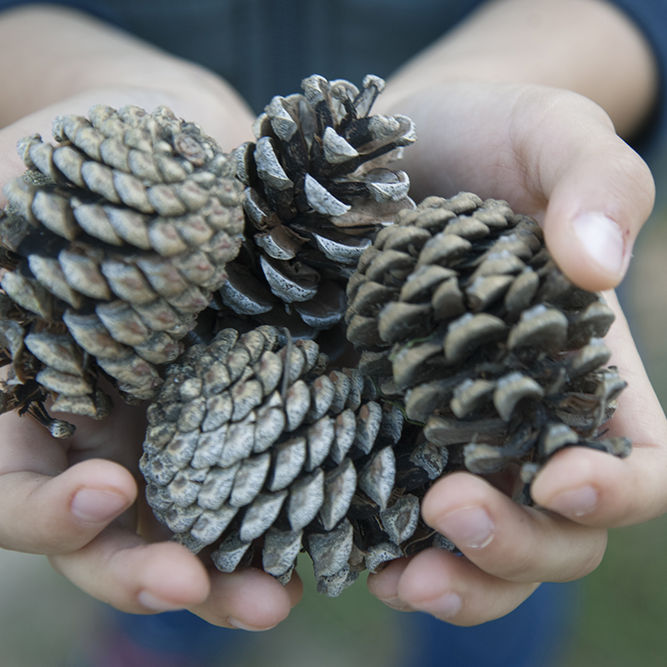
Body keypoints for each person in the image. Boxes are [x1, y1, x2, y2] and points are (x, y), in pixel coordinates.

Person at [0, 0, 666, 663]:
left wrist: (533, 69)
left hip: (483, 284)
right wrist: (69, 72)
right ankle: (163, 635)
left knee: (497, 527)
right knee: (170, 553)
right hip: (178, 400)